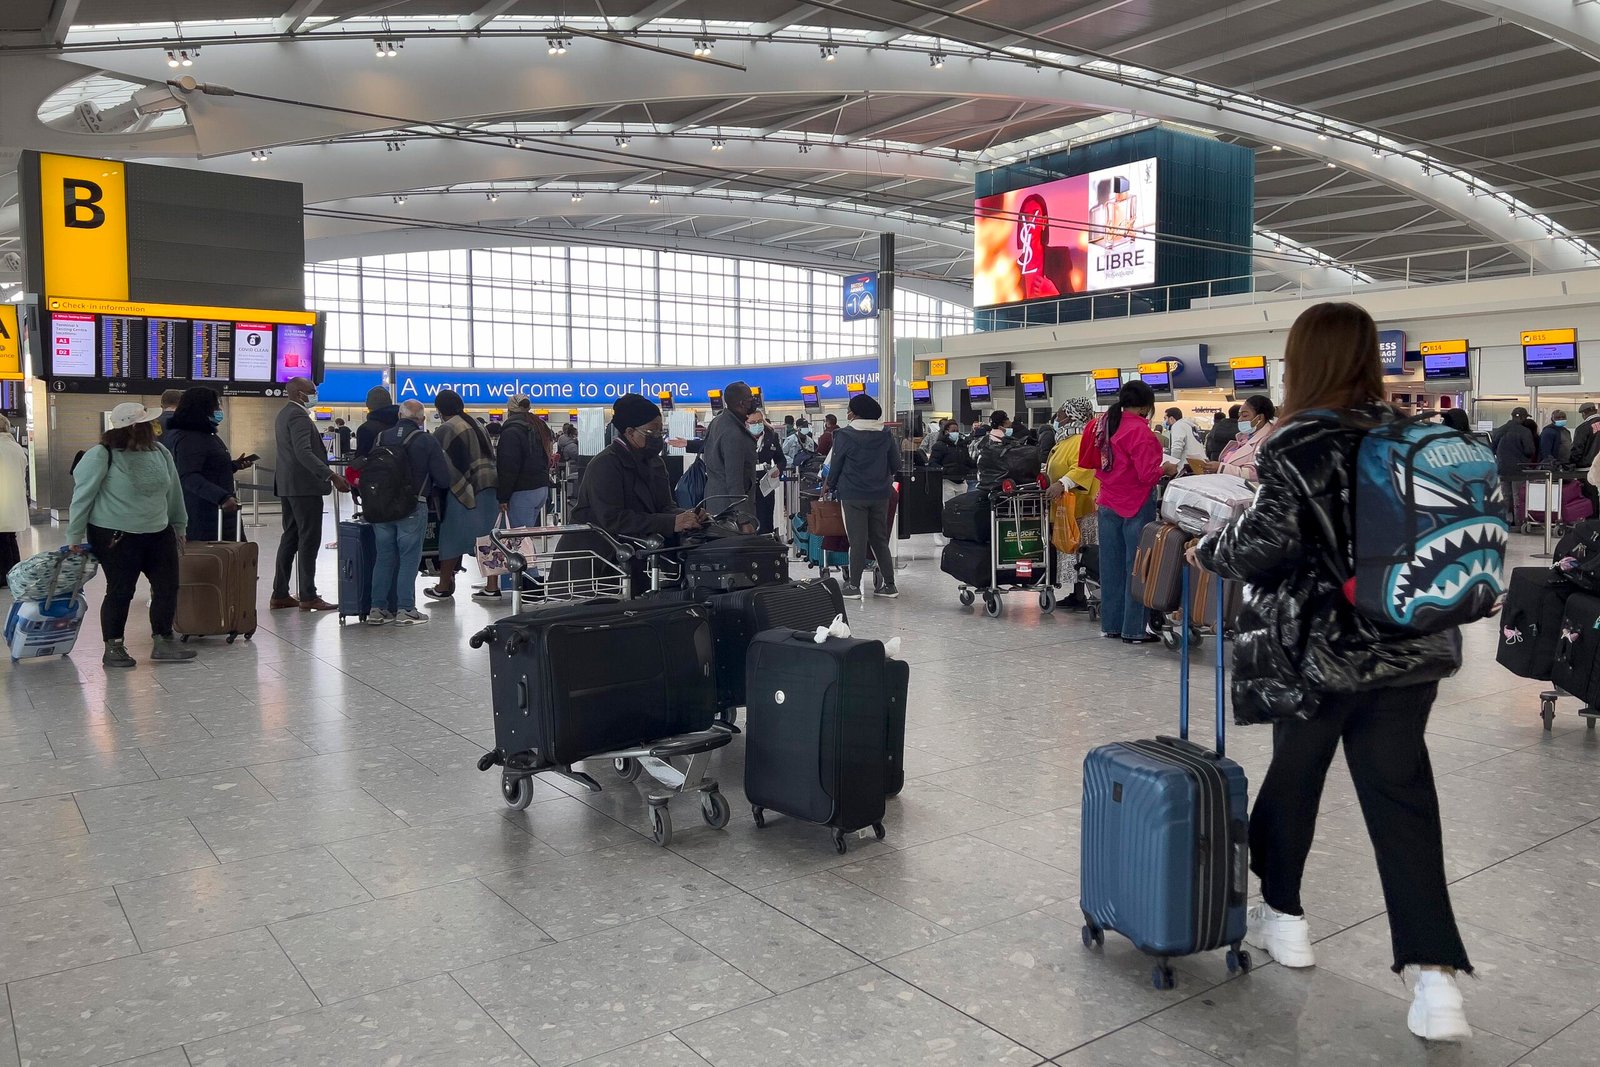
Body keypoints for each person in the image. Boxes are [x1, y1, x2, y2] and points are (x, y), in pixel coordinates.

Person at [1189, 301, 1474, 1043]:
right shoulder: (1409, 431)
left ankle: (1284, 918)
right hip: (1411, 646)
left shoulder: (1302, 440)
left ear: (1303, 361)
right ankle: (1437, 981)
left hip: (1322, 652)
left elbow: (1265, 541)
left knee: (1297, 777)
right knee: (1403, 801)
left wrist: (1208, 549)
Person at [66, 403, 196, 668]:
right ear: (136, 427)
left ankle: (163, 639)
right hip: (116, 535)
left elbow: (173, 492)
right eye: (150, 423)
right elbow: (83, 496)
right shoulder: (102, 455)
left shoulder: (159, 452)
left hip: (158, 531)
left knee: (167, 587)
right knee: (121, 590)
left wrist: (179, 525)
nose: (155, 428)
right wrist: (74, 535)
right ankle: (113, 646)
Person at [367, 400, 453, 626]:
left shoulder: (381, 438)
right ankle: (406, 609)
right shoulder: (425, 440)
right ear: (422, 420)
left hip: (381, 507)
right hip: (412, 506)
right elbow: (443, 479)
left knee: (383, 557)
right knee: (408, 559)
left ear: (399, 414)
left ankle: (377, 609)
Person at [1093, 380, 1164, 643]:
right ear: (1147, 406)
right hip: (1136, 504)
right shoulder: (1141, 433)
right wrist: (1165, 470)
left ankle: (1111, 624)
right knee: (1137, 567)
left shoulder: (1104, 425)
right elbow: (1147, 475)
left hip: (1108, 501)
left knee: (1110, 566)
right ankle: (1133, 628)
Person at [271, 377, 350, 611]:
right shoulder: (298, 416)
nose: (315, 395)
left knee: (291, 537)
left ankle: (280, 593)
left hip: (288, 486)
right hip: (304, 488)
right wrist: (332, 476)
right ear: (298, 393)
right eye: (312, 391)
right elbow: (303, 453)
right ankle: (308, 595)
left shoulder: (283, 414)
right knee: (309, 540)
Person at [425, 389, 499, 599]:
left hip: (465, 491)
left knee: (451, 538)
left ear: (439, 409)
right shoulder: (478, 424)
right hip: (489, 486)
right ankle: (492, 587)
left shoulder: (447, 429)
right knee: (487, 538)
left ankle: (443, 586)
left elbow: (441, 464)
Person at [477, 395, 552, 600]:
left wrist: (503, 496)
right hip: (540, 489)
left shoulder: (512, 431)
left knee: (519, 540)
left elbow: (508, 467)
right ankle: (530, 582)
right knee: (525, 537)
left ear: (509, 410)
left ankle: (531, 586)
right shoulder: (538, 427)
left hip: (522, 491)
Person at [825, 393, 899, 598]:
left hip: (853, 495)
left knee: (857, 540)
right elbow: (896, 465)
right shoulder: (885, 433)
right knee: (879, 539)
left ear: (855, 413)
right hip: (881, 494)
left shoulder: (843, 435)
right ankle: (890, 585)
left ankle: (853, 586)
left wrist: (830, 486)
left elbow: (836, 465)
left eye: (849, 410)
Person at [163, 387, 253, 543]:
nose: (219, 410)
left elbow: (207, 467)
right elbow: (189, 475)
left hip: (219, 512)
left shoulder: (204, 434)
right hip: (206, 514)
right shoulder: (190, 437)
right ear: (202, 408)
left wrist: (233, 466)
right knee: (216, 561)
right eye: (216, 406)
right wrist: (222, 497)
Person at [702, 381, 758, 530]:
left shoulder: (717, 422)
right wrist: (744, 519)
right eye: (750, 398)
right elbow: (734, 480)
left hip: (715, 501)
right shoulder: (734, 433)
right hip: (731, 512)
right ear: (742, 403)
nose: (753, 401)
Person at [1206, 395, 1276, 483]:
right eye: (1239, 416)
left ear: (1260, 418)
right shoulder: (1245, 438)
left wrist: (1221, 468)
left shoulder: (1270, 441)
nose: (1239, 420)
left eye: (1245, 415)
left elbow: (1258, 473)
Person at [1491, 407, 1537, 523]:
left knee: (1505, 496)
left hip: (1502, 468)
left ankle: (1506, 521)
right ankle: (1518, 521)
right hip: (1519, 468)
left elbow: (1492, 448)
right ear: (1521, 417)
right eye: (1525, 417)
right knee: (1517, 496)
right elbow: (1529, 450)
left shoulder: (1499, 430)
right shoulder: (1524, 432)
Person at [749, 404, 787, 535]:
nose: (757, 424)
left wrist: (778, 468)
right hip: (746, 483)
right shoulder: (740, 436)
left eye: (759, 421)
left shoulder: (770, 435)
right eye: (752, 422)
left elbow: (781, 459)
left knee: (765, 520)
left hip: (765, 483)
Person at [0, 415, 27, 576]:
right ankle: (14, 573)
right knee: (9, 537)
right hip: (14, 501)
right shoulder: (15, 447)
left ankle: (4, 576)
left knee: (3, 538)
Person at [975, 410, 1019, 494]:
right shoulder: (1008, 442)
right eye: (1008, 420)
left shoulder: (983, 441)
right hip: (1004, 485)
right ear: (1002, 424)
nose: (1010, 423)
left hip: (984, 485)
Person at [355, 387, 400, 459]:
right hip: (402, 468)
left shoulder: (366, 429)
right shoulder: (401, 424)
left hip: (376, 469)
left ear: (368, 404)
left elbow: (361, 458)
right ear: (390, 402)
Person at [930, 418, 972, 496]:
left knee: (962, 506)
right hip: (947, 481)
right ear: (946, 432)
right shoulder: (939, 446)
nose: (956, 433)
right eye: (953, 431)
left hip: (962, 481)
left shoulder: (962, 445)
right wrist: (945, 470)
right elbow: (933, 463)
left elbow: (967, 460)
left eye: (957, 431)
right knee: (949, 506)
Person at [1161, 407, 1204, 476]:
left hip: (1187, 466)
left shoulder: (1177, 425)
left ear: (1171, 418)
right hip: (1197, 464)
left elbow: (1177, 447)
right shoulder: (1189, 426)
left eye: (1165, 418)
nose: (1164, 421)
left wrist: (1172, 464)